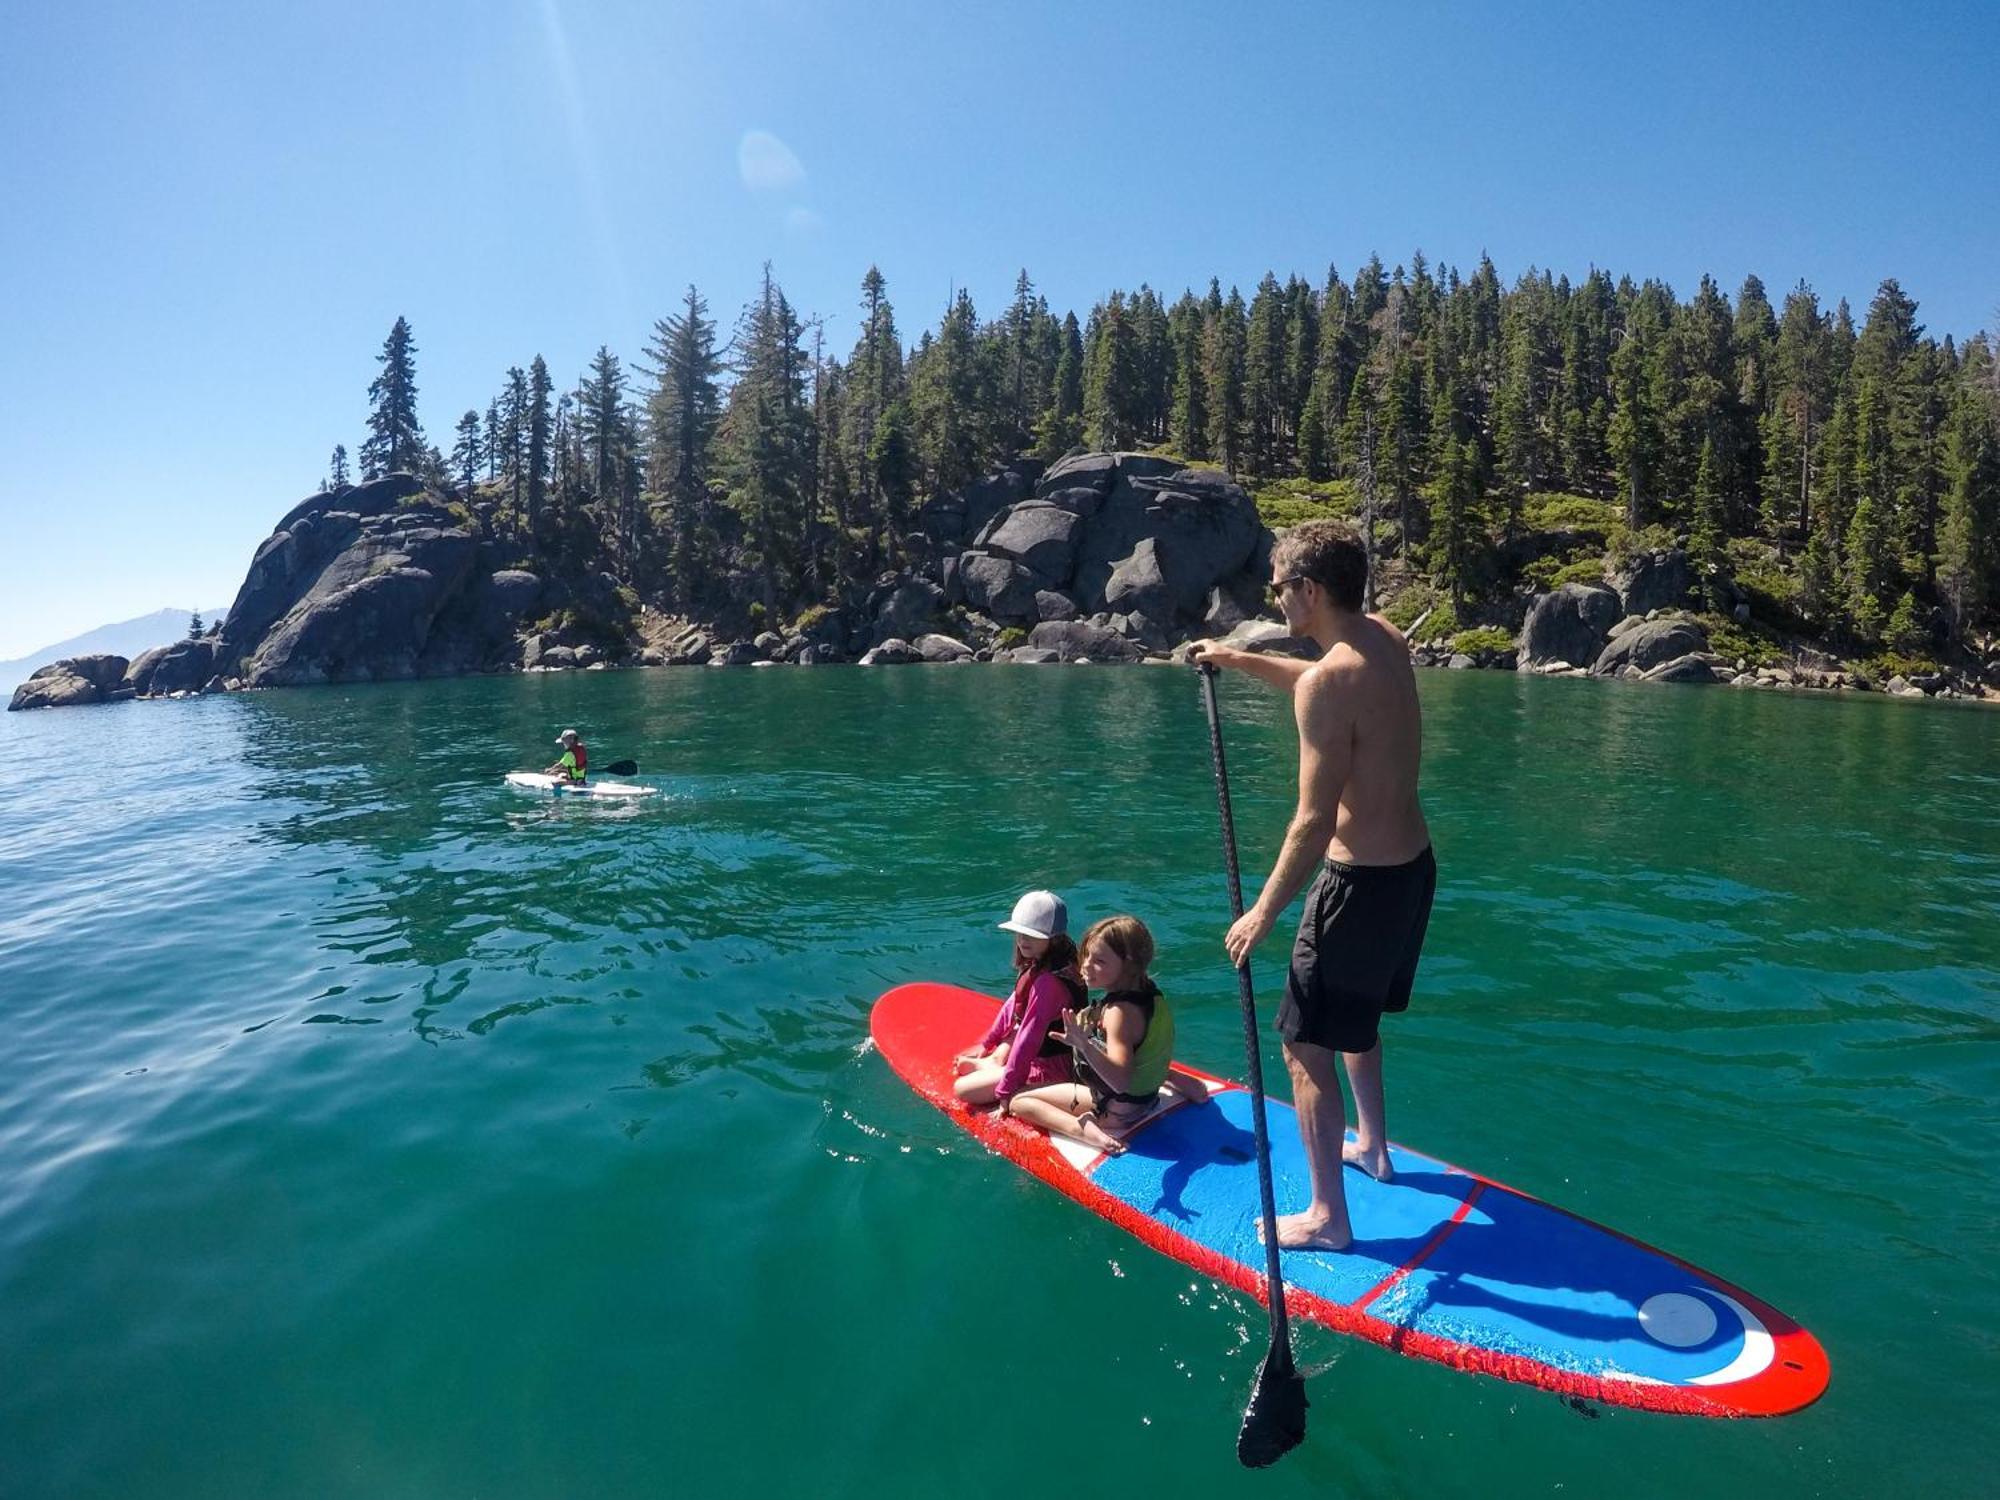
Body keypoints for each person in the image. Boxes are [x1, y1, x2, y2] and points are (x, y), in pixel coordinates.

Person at [1190, 519, 1435, 1252]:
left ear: (1310, 590)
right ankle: (1374, 1149)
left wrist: (1263, 913)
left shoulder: (1330, 684)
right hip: (1413, 872)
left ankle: (1328, 1216)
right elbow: (1322, 682)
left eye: (1279, 587)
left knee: (1305, 1046)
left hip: (1355, 886)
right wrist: (1237, 658)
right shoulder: (1381, 638)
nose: (1274, 598)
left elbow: (1310, 821)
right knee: (1356, 1020)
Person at [1003, 915, 1209, 1156]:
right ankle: (1169, 1076)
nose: (1086, 965)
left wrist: (1084, 1043)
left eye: (1099, 960)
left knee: (1020, 1101)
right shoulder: (1151, 992)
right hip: (1147, 1097)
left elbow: (1120, 1082)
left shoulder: (1118, 1013)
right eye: (1087, 955)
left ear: (1128, 964)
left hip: (1118, 1112)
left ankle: (1084, 1130)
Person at [953, 891, 1084, 1110]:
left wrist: (1006, 1090)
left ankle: (1000, 1069)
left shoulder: (1049, 984)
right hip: (1039, 1048)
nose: (1023, 940)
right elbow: (1014, 1005)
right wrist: (989, 1041)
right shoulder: (1052, 959)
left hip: (1052, 1066)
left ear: (1054, 937)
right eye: (1019, 933)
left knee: (963, 1089)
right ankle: (995, 1060)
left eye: (1032, 935)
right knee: (1015, 1030)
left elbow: (1030, 1038)